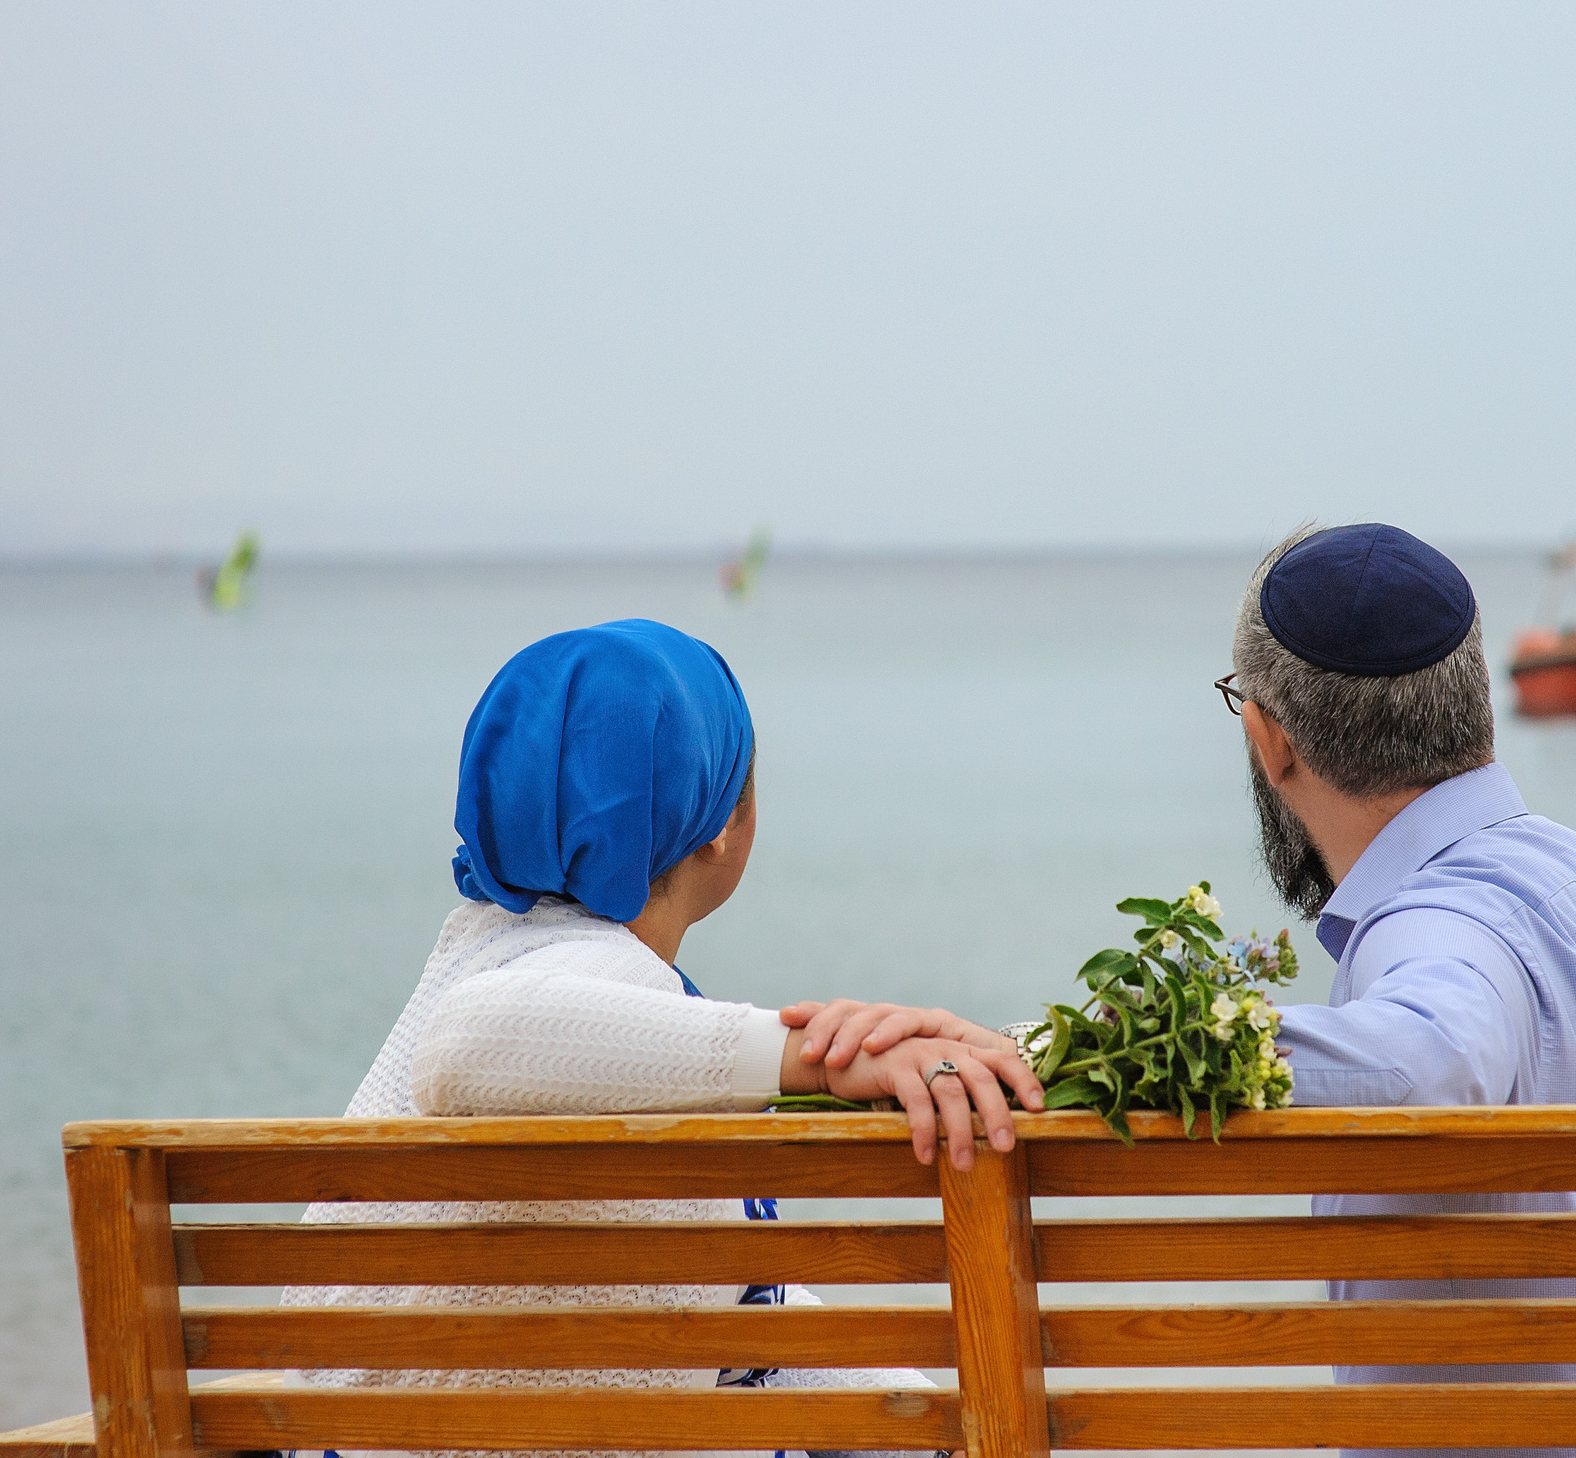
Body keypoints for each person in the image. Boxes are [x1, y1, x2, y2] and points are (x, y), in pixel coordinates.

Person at [283, 618, 1041, 1457]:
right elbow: (467, 1045)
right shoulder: (557, 982)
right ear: (720, 825)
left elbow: (757, 1316)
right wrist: (808, 1062)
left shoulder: (481, 948)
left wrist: (921, 1418)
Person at [1227, 522, 1576, 1458]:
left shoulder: (1438, 925)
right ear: (1473, 708)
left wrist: (1099, 1048)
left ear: (1272, 742)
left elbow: (1428, 1060)